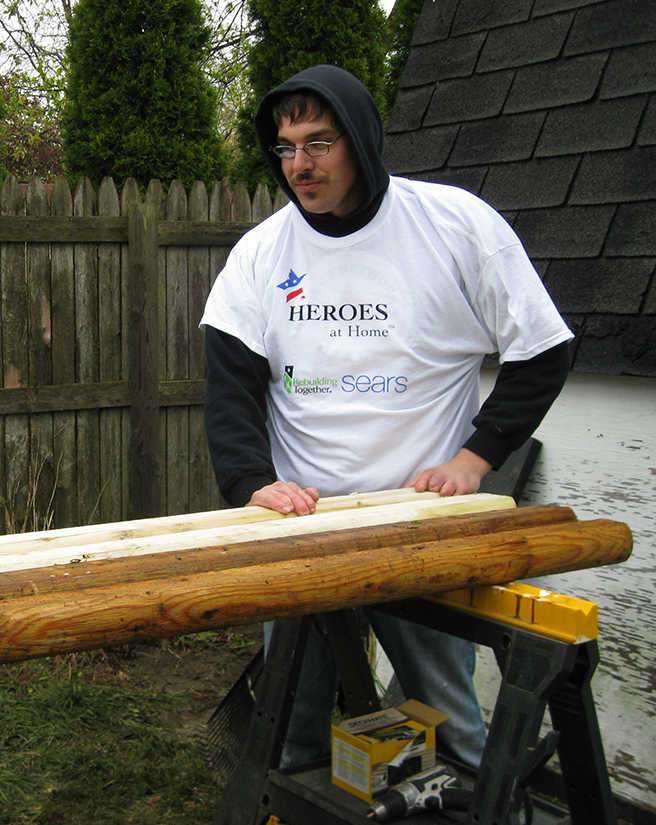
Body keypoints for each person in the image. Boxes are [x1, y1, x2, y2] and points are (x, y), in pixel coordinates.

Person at [200, 64, 572, 770]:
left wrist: (474, 460)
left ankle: (463, 795)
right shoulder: (262, 252)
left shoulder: (455, 226)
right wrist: (251, 481)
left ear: (362, 139)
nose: (300, 165)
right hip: (304, 527)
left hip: (419, 525)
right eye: (286, 148)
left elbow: (544, 349)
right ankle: (298, 797)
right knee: (291, 717)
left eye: (319, 142)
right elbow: (231, 384)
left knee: (448, 718)